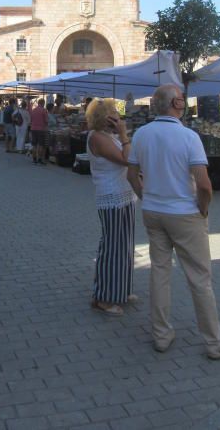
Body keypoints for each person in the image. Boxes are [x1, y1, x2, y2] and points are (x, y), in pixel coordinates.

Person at [127, 84, 220, 360]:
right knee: (200, 278)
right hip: (184, 213)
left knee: (160, 273)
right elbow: (204, 184)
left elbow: (131, 175)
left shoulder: (141, 134)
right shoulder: (188, 137)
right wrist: (203, 209)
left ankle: (161, 334)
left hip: (154, 211)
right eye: (181, 98)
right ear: (177, 103)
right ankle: (215, 342)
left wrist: (146, 197)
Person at [86, 98, 137, 316]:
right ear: (105, 117)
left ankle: (120, 290)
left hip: (124, 195)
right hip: (111, 197)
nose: (118, 116)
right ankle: (103, 297)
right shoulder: (97, 137)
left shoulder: (108, 135)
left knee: (125, 246)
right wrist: (124, 135)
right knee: (112, 248)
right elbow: (127, 159)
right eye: (114, 113)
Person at [30, 98, 48, 165]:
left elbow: (31, 120)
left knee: (34, 145)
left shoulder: (33, 110)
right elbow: (46, 121)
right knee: (40, 145)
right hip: (41, 129)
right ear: (43, 103)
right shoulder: (44, 110)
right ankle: (39, 159)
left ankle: (34, 160)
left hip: (33, 129)